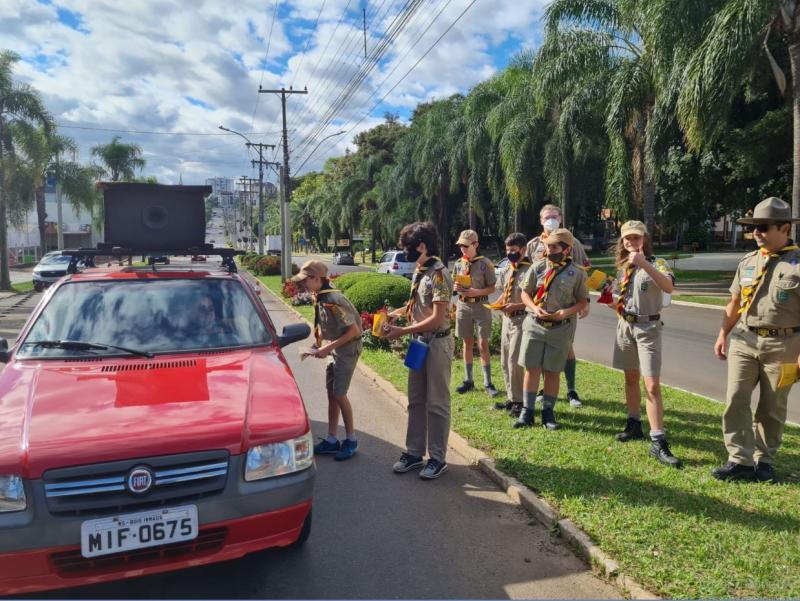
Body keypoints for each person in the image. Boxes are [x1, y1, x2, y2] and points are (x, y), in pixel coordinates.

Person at [712, 197, 800, 482]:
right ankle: (739, 459)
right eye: (753, 228)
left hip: (784, 345)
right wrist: (723, 333)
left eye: (763, 227)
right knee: (735, 399)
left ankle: (765, 460)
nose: (757, 234)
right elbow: (735, 302)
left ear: (785, 228)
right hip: (744, 339)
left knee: (773, 407)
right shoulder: (749, 262)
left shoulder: (797, 265)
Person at [383, 222, 454, 479]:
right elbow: (418, 306)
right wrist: (396, 314)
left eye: (407, 247)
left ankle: (437, 458)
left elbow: (437, 318)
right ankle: (414, 452)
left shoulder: (438, 274)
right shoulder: (420, 270)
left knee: (437, 402)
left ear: (422, 246)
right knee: (416, 400)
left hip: (436, 343)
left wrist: (401, 331)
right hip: (418, 343)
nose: (405, 252)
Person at [608, 221, 681, 468]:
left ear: (645, 239)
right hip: (625, 325)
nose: (631, 242)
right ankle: (633, 423)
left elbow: (669, 286)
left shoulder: (656, 263)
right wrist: (610, 298)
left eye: (636, 238)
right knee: (630, 378)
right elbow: (621, 297)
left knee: (652, 385)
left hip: (648, 328)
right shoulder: (622, 267)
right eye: (627, 239)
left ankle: (658, 440)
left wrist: (643, 264)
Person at [515, 228, 588, 429]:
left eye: (555, 246)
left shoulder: (577, 273)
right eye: (548, 246)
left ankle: (548, 413)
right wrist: (533, 307)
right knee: (532, 369)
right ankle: (527, 412)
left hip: (560, 328)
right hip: (535, 324)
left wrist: (565, 313)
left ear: (567, 249)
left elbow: (582, 301)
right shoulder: (537, 267)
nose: (550, 250)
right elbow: (525, 293)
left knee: (553, 370)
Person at [292, 260, 363, 461]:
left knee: (340, 394)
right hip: (335, 349)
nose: (303, 285)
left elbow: (354, 331)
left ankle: (351, 440)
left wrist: (327, 348)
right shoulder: (321, 298)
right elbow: (329, 326)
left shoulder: (333, 299)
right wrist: (318, 345)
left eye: (306, 281)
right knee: (332, 394)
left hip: (347, 350)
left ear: (317, 279)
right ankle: (332, 439)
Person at [527, 204, 591, 408]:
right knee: (541, 351)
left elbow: (583, 271)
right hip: (540, 307)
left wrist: (585, 301)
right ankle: (545, 390)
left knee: (567, 349)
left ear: (561, 218)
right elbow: (529, 273)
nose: (551, 220)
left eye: (554, 216)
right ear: (540, 220)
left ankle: (571, 389)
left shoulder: (574, 243)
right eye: (547, 217)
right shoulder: (533, 244)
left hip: (565, 306)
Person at [452, 229, 498, 398]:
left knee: (483, 344)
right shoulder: (459, 263)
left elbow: (493, 287)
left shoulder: (485, 263)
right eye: (460, 246)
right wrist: (456, 289)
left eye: (465, 246)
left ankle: (488, 382)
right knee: (467, 343)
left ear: (475, 245)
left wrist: (475, 293)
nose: (462, 249)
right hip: (463, 306)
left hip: (481, 306)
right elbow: (454, 285)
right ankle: (468, 380)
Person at [494, 233, 533, 416]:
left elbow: (536, 300)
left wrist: (516, 305)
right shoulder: (507, 269)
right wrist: (498, 303)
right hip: (507, 319)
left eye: (513, 250)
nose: (510, 253)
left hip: (522, 319)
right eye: (508, 250)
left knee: (515, 361)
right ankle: (511, 397)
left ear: (523, 250)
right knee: (504, 359)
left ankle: (520, 401)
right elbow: (504, 292)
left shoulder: (531, 270)